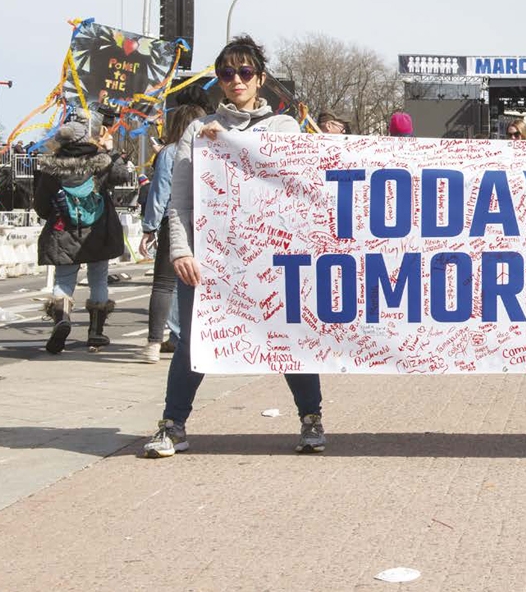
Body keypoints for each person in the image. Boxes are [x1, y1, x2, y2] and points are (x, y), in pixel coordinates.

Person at [143, 35, 327, 459]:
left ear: (260, 79)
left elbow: (292, 181)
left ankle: (311, 417)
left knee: (286, 336)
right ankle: (173, 424)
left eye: (245, 72)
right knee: (193, 340)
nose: (236, 80)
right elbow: (181, 200)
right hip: (211, 259)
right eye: (227, 73)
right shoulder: (197, 130)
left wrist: (230, 147)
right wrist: (180, 252)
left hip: (270, 256)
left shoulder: (283, 127)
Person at [33, 119, 133, 354]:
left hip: (64, 229)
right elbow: (122, 177)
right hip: (98, 230)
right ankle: (96, 332)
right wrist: (112, 150)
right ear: (84, 137)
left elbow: (40, 204)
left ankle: (62, 319)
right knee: (98, 277)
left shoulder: (51, 166)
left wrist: (55, 215)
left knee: (64, 279)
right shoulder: (101, 162)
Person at [137, 103, 206, 364]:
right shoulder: (209, 149)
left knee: (164, 284)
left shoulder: (168, 152)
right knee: (193, 282)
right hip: (204, 223)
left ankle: (154, 342)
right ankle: (185, 338)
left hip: (174, 222)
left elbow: (160, 192)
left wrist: (149, 227)